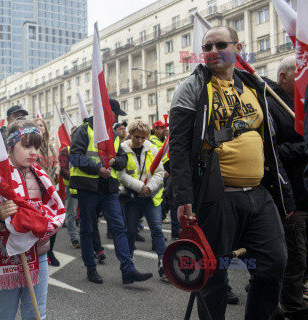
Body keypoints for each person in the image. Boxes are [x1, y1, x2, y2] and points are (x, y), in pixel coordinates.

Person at [170, 26, 294, 319]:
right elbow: (178, 147)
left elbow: (277, 141)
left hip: (259, 194)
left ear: (238, 47)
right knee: (213, 276)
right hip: (216, 197)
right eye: (207, 47)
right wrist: (183, 198)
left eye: (220, 45)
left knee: (273, 264)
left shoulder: (255, 85)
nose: (212, 52)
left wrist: (284, 193)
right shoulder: (193, 88)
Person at [0, 120, 65, 320]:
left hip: (37, 256)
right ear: (10, 146)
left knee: (37, 314)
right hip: (3, 257)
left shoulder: (42, 177)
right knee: (5, 315)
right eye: (26, 145)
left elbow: (54, 214)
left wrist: (38, 225)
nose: (34, 152)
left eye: (37, 147)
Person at [70, 98, 152, 284]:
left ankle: (128, 270)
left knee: (119, 229)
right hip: (88, 188)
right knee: (88, 229)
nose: (117, 119)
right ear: (106, 111)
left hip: (109, 190)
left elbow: (122, 158)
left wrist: (115, 162)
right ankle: (91, 269)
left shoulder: (114, 135)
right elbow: (75, 157)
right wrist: (98, 169)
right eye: (115, 114)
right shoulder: (84, 130)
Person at [266, 56, 308, 319]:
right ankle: (293, 310)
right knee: (295, 259)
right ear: (284, 76)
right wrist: (304, 148)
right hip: (291, 196)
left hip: (305, 192)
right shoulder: (271, 104)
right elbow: (271, 152)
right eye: (300, 73)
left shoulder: (301, 105)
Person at [118, 120, 166, 280]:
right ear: (130, 134)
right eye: (136, 137)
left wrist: (149, 188)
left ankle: (163, 265)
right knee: (130, 231)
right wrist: (140, 187)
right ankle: (129, 263)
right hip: (131, 197)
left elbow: (160, 172)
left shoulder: (152, 148)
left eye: (143, 137)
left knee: (157, 230)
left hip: (150, 197)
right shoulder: (123, 149)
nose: (139, 140)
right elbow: (121, 174)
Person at [33, 117, 60, 266]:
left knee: (52, 219)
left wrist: (55, 173)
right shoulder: (32, 145)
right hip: (38, 187)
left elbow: (57, 162)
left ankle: (50, 250)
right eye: (36, 125)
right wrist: (44, 177)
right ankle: (39, 250)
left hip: (52, 185)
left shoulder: (50, 145)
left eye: (42, 125)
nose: (40, 127)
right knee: (40, 220)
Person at [58, 126, 80, 249]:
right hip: (72, 188)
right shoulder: (65, 150)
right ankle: (74, 238)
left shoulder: (85, 150)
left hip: (86, 188)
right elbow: (63, 169)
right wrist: (76, 179)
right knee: (71, 214)